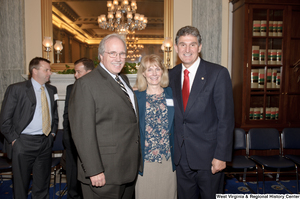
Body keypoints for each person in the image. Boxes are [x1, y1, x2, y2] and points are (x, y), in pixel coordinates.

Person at [68, 33, 142, 199]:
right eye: (113, 53)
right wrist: (94, 170)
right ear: (101, 55)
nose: (118, 58)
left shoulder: (123, 79)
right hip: (104, 173)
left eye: (122, 53)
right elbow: (82, 133)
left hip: (126, 168)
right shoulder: (86, 84)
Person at [168, 26, 235, 199]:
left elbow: (226, 120)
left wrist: (221, 156)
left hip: (209, 158)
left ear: (200, 47)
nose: (187, 49)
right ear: (176, 48)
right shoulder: (170, 75)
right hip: (181, 158)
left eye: (192, 44)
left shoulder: (218, 74)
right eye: (183, 44)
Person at [0, 57, 58, 199]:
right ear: (34, 71)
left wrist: (52, 134)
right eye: (46, 70)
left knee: (42, 183)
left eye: (49, 70)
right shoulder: (16, 89)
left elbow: (54, 115)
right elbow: (4, 120)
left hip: (45, 142)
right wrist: (14, 140)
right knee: (21, 184)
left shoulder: (51, 90)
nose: (50, 73)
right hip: (23, 142)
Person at [134, 54, 176, 199]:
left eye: (157, 69)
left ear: (162, 72)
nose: (154, 74)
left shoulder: (171, 94)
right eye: (149, 70)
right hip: (146, 160)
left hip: (167, 158)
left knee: (168, 194)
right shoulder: (136, 97)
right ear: (143, 73)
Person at [62, 58, 95, 199]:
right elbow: (66, 116)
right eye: (75, 72)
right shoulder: (71, 88)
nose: (75, 75)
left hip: (93, 141)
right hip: (72, 142)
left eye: (78, 72)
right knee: (73, 178)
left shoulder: (99, 89)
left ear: (89, 72)